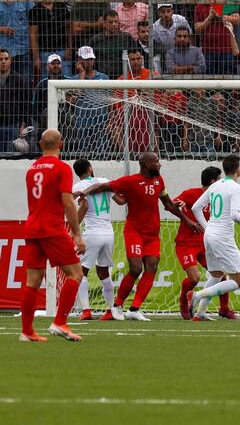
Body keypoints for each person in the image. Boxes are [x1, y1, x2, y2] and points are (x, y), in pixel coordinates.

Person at [74, 152, 202, 320]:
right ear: (145, 164)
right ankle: (116, 306)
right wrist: (85, 192)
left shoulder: (159, 181)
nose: (159, 164)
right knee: (135, 269)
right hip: (135, 232)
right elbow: (103, 187)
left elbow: (168, 204)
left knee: (152, 267)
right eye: (156, 162)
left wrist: (187, 221)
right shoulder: (130, 181)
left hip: (152, 234)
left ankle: (134, 309)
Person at [19, 129, 85, 341]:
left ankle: (27, 331)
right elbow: (67, 201)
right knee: (76, 274)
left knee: (33, 280)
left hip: (32, 228)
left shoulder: (32, 168)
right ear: (62, 144)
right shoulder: (61, 168)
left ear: (39, 144)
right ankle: (60, 322)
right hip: (52, 228)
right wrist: (76, 233)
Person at [188, 156, 240, 321]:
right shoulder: (236, 187)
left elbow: (196, 208)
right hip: (223, 237)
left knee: (216, 275)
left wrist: (207, 226)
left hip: (209, 235)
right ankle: (196, 296)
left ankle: (200, 313)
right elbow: (234, 214)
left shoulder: (215, 185)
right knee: (238, 281)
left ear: (224, 169)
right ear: (238, 169)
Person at [174, 166, 236, 320]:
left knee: (221, 274)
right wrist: (179, 205)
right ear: (212, 181)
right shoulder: (191, 194)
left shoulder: (216, 196)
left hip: (205, 243)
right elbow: (172, 203)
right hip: (186, 244)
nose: (222, 181)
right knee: (194, 278)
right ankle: (184, 300)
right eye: (220, 179)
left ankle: (224, 309)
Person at [71, 158, 125, 321]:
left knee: (81, 272)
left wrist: (74, 230)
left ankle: (86, 310)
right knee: (104, 273)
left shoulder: (77, 187)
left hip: (92, 233)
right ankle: (110, 311)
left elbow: (85, 206)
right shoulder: (104, 182)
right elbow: (121, 201)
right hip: (108, 232)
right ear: (90, 168)